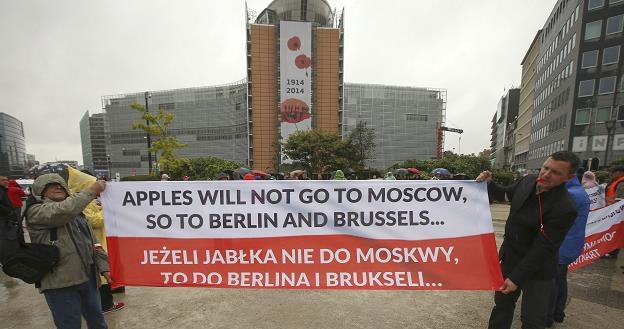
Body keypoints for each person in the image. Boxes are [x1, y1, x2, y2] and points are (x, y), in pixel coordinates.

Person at [476, 151, 579, 329]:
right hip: (510, 259)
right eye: (545, 168)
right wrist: (489, 183)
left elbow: (544, 248)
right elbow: (505, 195)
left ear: (569, 177)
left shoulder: (565, 207)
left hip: (538, 269)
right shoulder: (528, 181)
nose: (546, 174)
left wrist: (516, 277)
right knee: (502, 307)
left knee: (533, 320)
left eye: (555, 172)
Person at [24, 173, 110, 329]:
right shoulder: (35, 211)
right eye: (50, 185)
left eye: (61, 184)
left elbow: (94, 243)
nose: (57, 187)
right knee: (69, 325)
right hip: (61, 283)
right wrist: (91, 190)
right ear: (39, 190)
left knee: (98, 321)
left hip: (88, 278)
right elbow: (64, 211)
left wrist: (105, 267)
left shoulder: (76, 211)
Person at [547, 175, 590, 327]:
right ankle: (558, 313)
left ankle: (548, 315)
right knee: (560, 279)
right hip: (571, 244)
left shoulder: (570, 194)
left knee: (552, 282)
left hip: (563, 245)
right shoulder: (578, 191)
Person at [603, 165, 624, 259]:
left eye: (613, 172)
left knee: (615, 232)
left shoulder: (622, 183)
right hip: (612, 211)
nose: (611, 174)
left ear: (620, 172)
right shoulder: (615, 182)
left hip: (616, 213)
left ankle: (612, 252)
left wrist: (615, 212)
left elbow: (620, 200)